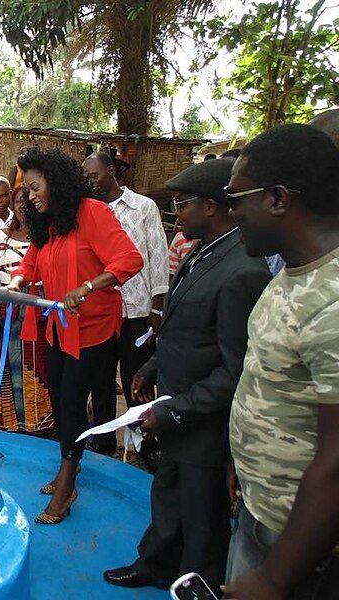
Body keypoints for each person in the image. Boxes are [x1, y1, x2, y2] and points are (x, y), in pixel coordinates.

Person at [103, 158, 271, 592]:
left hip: (203, 421)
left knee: (202, 516)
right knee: (169, 491)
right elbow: (183, 328)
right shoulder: (201, 251)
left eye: (182, 203)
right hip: (176, 401)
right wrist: (150, 368)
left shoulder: (243, 271)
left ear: (213, 207)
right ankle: (156, 564)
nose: (176, 212)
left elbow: (235, 369)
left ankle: (196, 584)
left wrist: (176, 411)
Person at [223, 124, 339, 599]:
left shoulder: (332, 301)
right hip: (260, 507)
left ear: (277, 199)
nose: (231, 214)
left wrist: (275, 579)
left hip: (301, 546)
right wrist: (244, 460)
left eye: (236, 200)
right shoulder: (292, 272)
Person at [6, 147, 143, 524]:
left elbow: (129, 259)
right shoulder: (50, 222)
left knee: (69, 401)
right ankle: (72, 460)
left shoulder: (93, 213)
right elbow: (31, 261)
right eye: (27, 191)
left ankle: (67, 481)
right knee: (58, 397)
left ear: (57, 182)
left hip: (92, 329)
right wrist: (18, 280)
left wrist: (86, 287)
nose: (31, 198)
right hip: (56, 328)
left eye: (35, 188)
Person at [82, 152, 169, 455]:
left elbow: (158, 258)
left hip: (137, 311)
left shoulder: (143, 208)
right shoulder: (85, 211)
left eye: (94, 175)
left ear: (110, 171)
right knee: (100, 380)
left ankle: (144, 441)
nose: (89, 181)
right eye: (86, 177)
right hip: (100, 313)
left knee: (137, 381)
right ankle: (103, 440)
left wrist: (157, 308)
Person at [0, 187, 52, 433]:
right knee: (6, 363)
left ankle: (37, 422)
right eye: (19, 201)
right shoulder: (1, 236)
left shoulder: (46, 237)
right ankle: (8, 421)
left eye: (27, 201)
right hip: (4, 307)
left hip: (37, 307)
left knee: (37, 363)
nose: (23, 206)